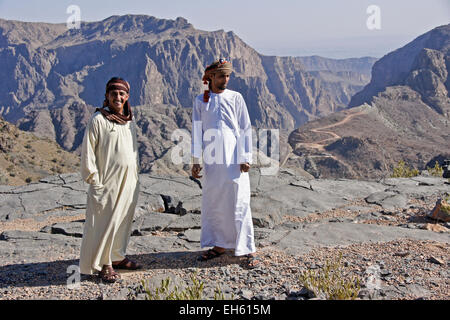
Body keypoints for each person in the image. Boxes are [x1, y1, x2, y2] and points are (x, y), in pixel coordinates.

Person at [191, 59, 258, 268]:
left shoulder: (236, 98)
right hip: (212, 162)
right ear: (210, 77)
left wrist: (246, 157)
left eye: (228, 76)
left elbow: (245, 127)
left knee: (240, 201)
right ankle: (219, 244)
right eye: (221, 76)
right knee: (216, 202)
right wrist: (195, 161)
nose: (225, 80)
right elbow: (196, 132)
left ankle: (247, 248)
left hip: (234, 160)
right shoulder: (200, 101)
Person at [79, 77, 141, 283]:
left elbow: (133, 151)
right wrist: (94, 179)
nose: (118, 97)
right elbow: (88, 151)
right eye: (113, 93)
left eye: (122, 94)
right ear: (107, 96)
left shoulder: (129, 121)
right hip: (107, 182)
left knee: (123, 220)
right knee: (105, 223)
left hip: (128, 181)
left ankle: (117, 256)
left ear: (127, 97)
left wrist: (135, 175)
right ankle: (104, 264)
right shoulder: (98, 120)